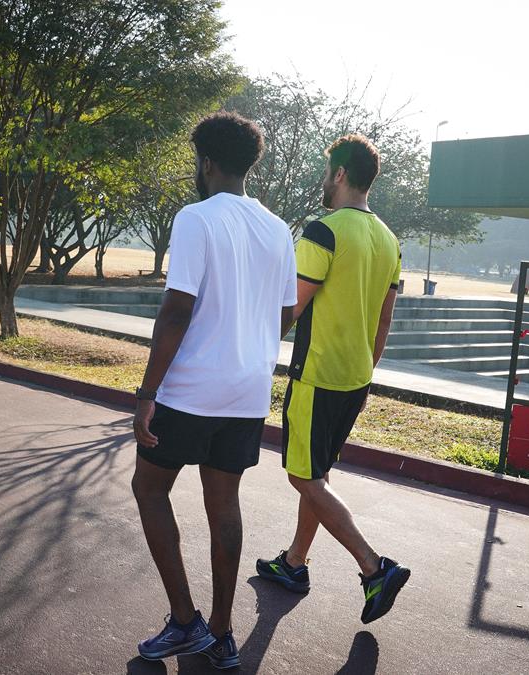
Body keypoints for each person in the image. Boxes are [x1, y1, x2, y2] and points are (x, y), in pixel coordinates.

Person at [132, 111, 297, 669]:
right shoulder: (277, 229)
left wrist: (146, 393)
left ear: (206, 163)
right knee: (224, 502)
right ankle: (222, 634)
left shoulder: (196, 217)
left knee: (149, 488)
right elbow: (285, 312)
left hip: (190, 390)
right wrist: (248, 349)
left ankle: (185, 621)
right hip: (247, 392)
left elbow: (176, 309)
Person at [255, 134, 410, 624]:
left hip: (317, 376)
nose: (325, 180)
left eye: (328, 172)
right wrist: (367, 372)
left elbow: (291, 308)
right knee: (318, 473)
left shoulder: (323, 231)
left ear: (340, 174)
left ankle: (374, 568)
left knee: (302, 475)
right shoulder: (389, 240)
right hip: (355, 378)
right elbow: (385, 319)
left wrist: (254, 353)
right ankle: (294, 563)